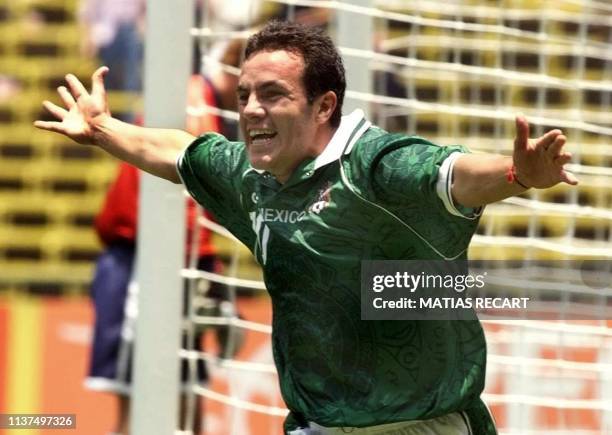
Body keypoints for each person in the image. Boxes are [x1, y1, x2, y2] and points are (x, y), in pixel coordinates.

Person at [35, 20, 577, 435]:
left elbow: (452, 175)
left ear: (324, 106)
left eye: (272, 95)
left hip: (421, 424)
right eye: (244, 94)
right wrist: (105, 130)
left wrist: (516, 174)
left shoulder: (376, 167)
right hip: (316, 424)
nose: (250, 110)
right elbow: (180, 152)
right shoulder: (250, 174)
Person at [84, 46, 241, 435]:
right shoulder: (192, 95)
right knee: (144, 406)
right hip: (146, 261)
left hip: (174, 259)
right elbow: (184, 200)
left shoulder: (197, 98)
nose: (258, 105)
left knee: (186, 404)